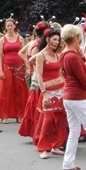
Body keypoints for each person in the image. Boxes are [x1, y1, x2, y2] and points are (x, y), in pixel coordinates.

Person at [59, 24, 86, 170]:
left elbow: (85, 71)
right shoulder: (72, 56)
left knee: (74, 130)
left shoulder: (65, 55)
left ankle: (68, 163)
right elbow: (84, 79)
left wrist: (82, 56)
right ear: (75, 38)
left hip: (69, 96)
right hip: (77, 96)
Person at [33, 29, 67, 159]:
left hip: (61, 90)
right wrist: (44, 93)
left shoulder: (58, 55)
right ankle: (43, 147)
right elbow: (40, 76)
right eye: (54, 39)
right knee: (47, 120)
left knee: (60, 120)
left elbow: (60, 73)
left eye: (58, 40)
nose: (56, 42)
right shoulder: (40, 56)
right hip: (48, 92)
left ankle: (56, 146)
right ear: (47, 39)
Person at [0, 18, 29, 123]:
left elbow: (24, 54)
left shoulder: (20, 39)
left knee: (19, 90)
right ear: (6, 27)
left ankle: (20, 114)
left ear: (15, 26)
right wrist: (0, 70)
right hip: (7, 66)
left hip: (19, 66)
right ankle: (4, 115)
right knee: (6, 90)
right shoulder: (2, 39)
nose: (9, 27)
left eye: (11, 25)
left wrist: (27, 67)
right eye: (8, 26)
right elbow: (0, 55)